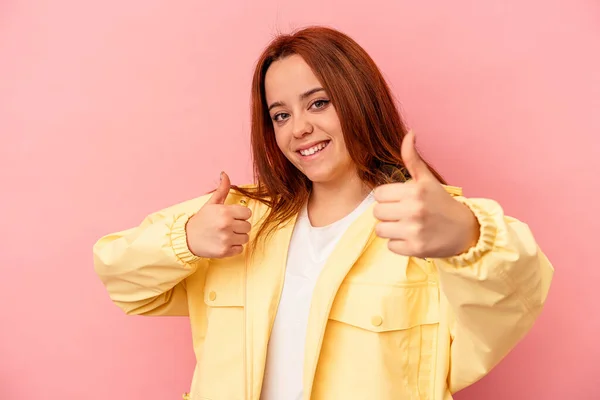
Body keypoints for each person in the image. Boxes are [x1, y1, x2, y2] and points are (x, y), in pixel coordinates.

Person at [93, 26, 554, 400]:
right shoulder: (242, 217)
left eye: (318, 103)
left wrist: (471, 238)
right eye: (280, 115)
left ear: (358, 99)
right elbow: (123, 279)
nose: (301, 128)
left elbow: (517, 301)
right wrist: (187, 240)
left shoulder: (422, 222)